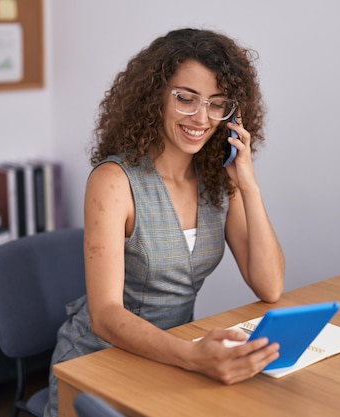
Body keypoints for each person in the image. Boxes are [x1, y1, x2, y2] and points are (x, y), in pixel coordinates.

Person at [43, 27, 285, 417]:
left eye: (216, 104)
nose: (201, 118)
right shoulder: (114, 182)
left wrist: (248, 185)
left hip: (171, 362)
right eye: (186, 99)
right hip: (97, 365)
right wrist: (190, 355)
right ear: (155, 95)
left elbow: (269, 285)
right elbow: (105, 316)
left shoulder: (218, 181)